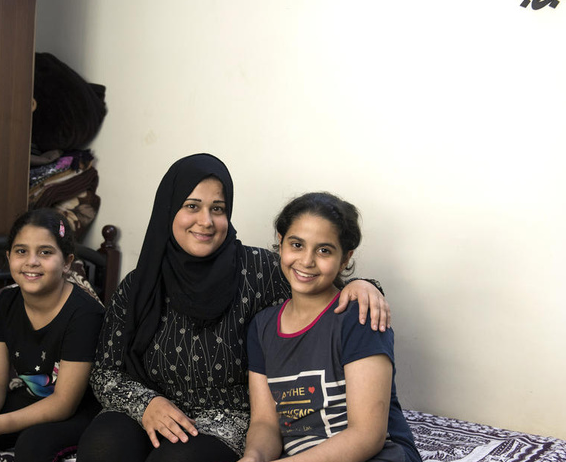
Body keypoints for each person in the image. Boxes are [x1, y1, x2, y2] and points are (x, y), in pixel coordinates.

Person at [77, 154, 390, 462]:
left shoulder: (261, 270)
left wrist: (363, 285)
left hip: (225, 421)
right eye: (192, 206)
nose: (206, 221)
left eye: (218, 209)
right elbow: (104, 372)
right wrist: (147, 405)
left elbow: (316, 283)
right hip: (144, 408)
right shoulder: (139, 284)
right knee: (104, 446)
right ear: (168, 209)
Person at [241, 192, 420, 462]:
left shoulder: (358, 317)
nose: (307, 261)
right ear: (281, 242)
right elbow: (265, 423)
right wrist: (253, 457)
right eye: (297, 245)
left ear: (345, 259)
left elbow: (367, 435)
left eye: (324, 250)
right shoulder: (262, 327)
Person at [0, 208, 104, 462]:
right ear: (9, 257)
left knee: (33, 443)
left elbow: (64, 402)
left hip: (81, 409)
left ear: (67, 262)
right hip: (34, 397)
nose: (31, 261)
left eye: (45, 252)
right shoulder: (4, 305)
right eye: (21, 251)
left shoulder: (84, 314)